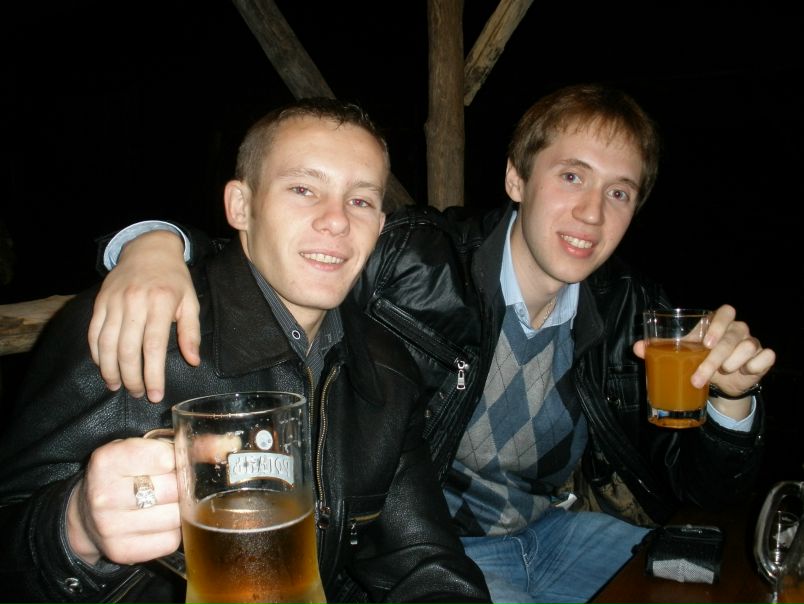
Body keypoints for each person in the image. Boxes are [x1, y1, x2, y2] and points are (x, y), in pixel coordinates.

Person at [84, 84, 775, 603]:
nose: (592, 213)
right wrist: (153, 244)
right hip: (440, 551)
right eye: (571, 176)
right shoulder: (416, 259)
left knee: (721, 584)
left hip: (562, 533)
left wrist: (732, 404)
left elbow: (703, 487)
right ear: (516, 178)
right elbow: (280, 253)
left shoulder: (633, 309)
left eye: (619, 193)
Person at [0, 98, 491, 604]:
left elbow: (423, 560)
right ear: (240, 206)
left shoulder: (387, 371)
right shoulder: (134, 330)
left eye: (361, 201)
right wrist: (75, 528)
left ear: (380, 224)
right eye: (303, 189)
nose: (337, 221)